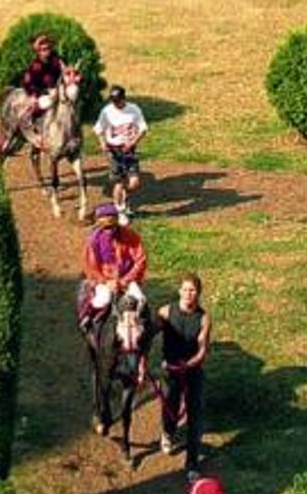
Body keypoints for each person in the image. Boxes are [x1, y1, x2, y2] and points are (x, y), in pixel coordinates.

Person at [156, 272, 212, 482]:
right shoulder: (165, 312)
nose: (189, 294)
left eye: (193, 290)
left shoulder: (204, 318)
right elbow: (147, 333)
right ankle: (168, 433)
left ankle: (192, 463)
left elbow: (202, 351)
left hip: (192, 372)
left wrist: (188, 365)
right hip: (170, 370)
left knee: (195, 415)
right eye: (185, 289)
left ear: (198, 293)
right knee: (170, 406)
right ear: (179, 291)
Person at [81, 202, 148, 318]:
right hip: (104, 280)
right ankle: (87, 319)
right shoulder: (93, 241)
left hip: (126, 279)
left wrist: (124, 281)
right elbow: (90, 266)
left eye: (112, 227)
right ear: (99, 225)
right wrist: (106, 282)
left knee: (141, 299)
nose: (109, 230)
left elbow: (140, 260)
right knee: (102, 300)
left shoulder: (130, 236)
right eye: (106, 227)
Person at [94, 85, 148, 225]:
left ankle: (123, 199)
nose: (115, 103)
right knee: (118, 181)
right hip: (114, 150)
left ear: (124, 98)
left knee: (134, 183)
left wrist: (133, 142)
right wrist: (102, 143)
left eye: (118, 100)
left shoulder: (134, 110)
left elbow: (143, 128)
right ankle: (120, 211)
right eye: (113, 100)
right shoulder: (107, 111)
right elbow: (99, 129)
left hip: (129, 150)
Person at [21, 34, 65, 126]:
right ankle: (33, 125)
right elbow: (27, 83)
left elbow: (64, 72)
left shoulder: (56, 60)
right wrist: (34, 95)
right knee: (46, 103)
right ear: (38, 51)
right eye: (44, 49)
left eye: (48, 48)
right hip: (40, 93)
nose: (47, 51)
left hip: (57, 90)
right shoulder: (35, 66)